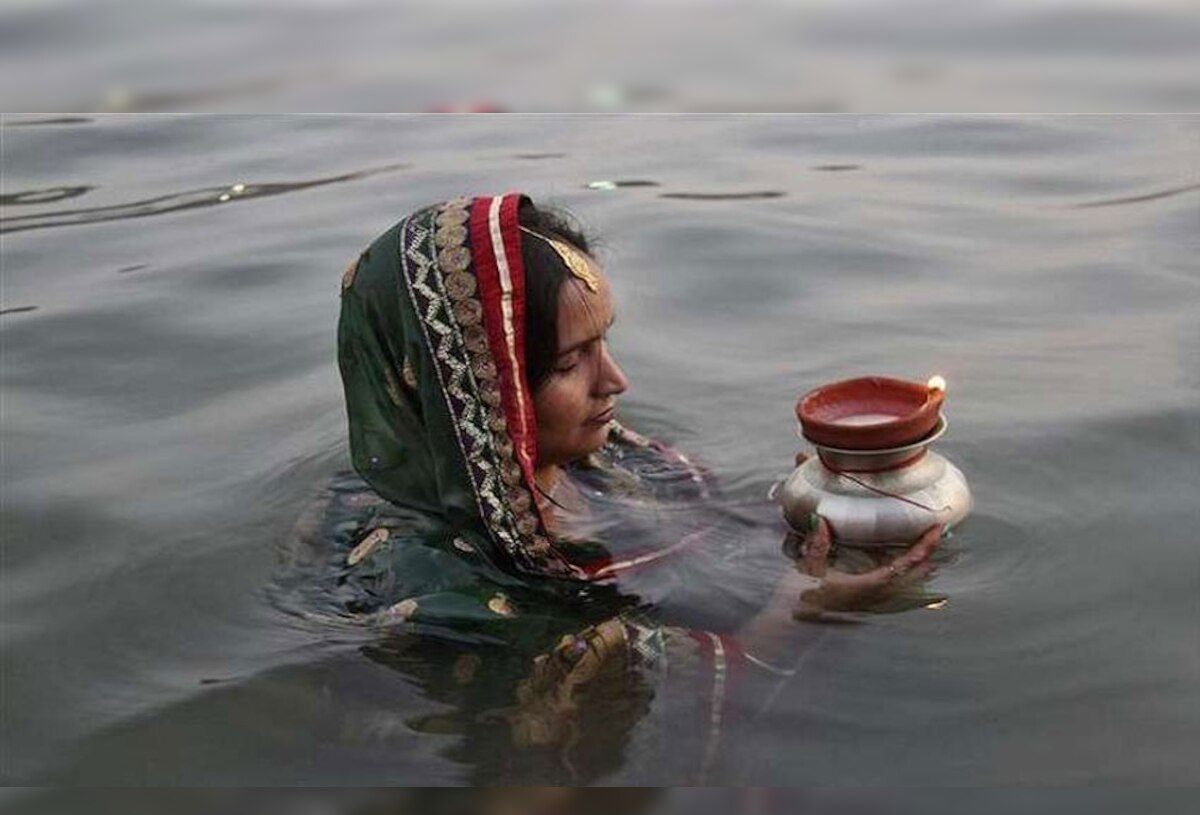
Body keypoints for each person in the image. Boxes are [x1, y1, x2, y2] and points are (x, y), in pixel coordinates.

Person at [318, 192, 941, 782]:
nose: (616, 381)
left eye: (604, 343)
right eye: (568, 364)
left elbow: (711, 546)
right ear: (475, 395)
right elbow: (567, 716)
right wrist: (796, 615)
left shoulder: (602, 459)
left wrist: (811, 506)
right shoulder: (421, 574)